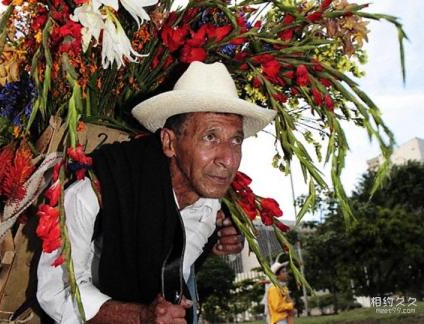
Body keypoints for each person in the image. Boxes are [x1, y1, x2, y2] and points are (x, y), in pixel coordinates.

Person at [37, 61, 276, 323]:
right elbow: (56, 291)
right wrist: (140, 316)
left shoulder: (209, 210)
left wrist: (213, 243)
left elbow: (173, 272)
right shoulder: (95, 191)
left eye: (236, 140)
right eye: (210, 137)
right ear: (169, 142)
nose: (228, 159)